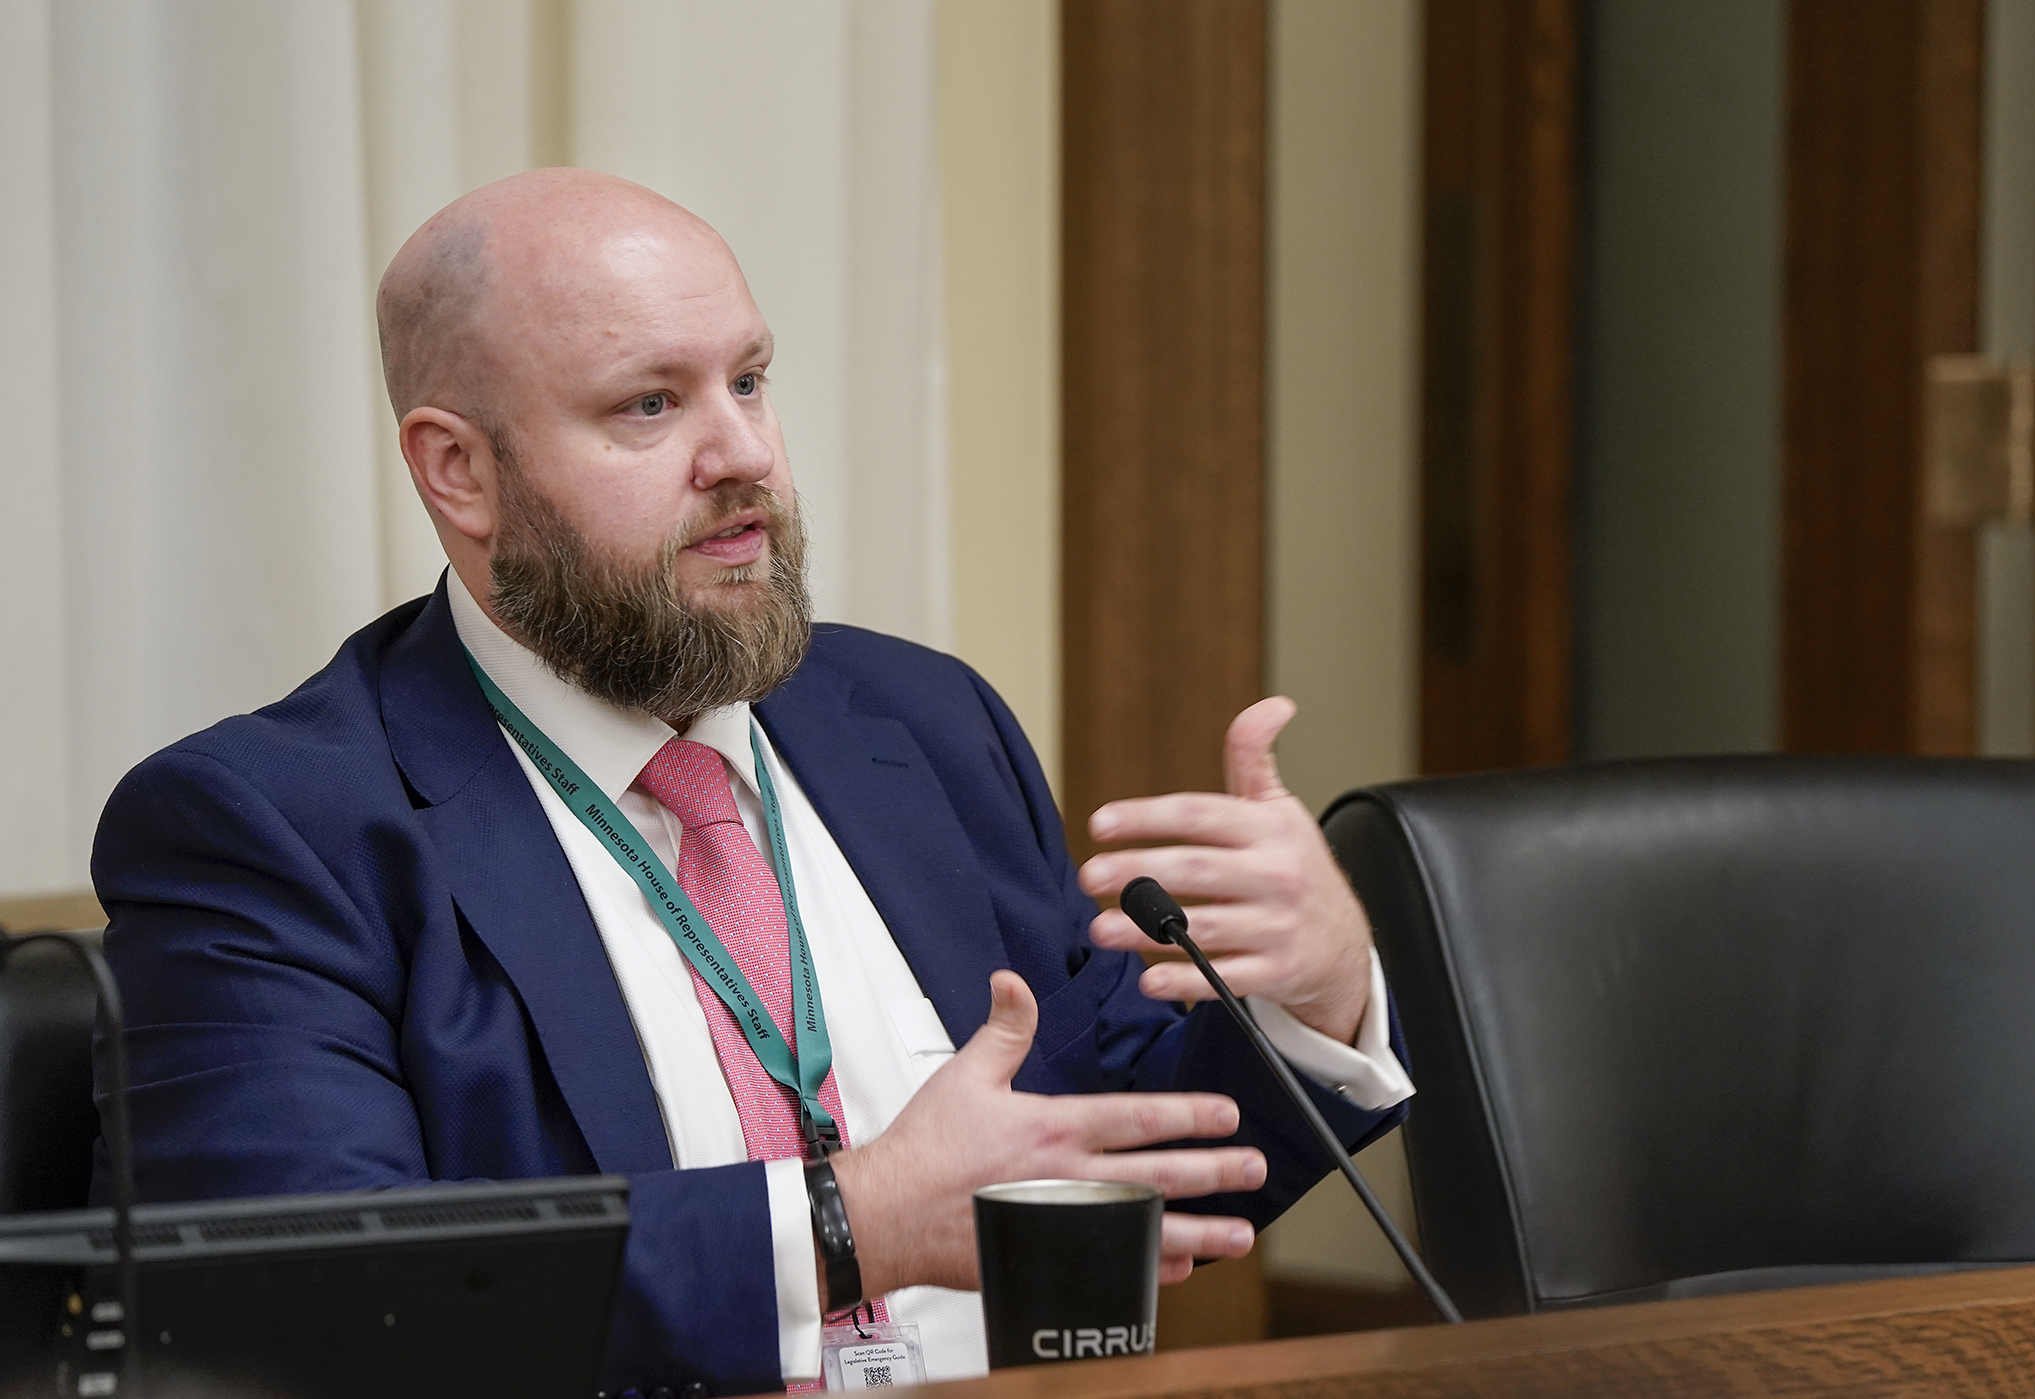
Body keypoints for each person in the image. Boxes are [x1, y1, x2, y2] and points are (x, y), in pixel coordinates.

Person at [90, 169, 1413, 1395]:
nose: (744, 458)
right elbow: (310, 1302)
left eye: (751, 380)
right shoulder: (272, 829)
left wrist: (1312, 990)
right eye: (649, 405)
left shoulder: (920, 722)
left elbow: (1102, 1152)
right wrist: (848, 1228)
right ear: (460, 471)